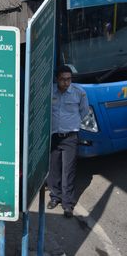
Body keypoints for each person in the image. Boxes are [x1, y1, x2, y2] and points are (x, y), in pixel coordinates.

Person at [47, 65, 89, 218]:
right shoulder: (50, 91)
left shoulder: (79, 93)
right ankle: (55, 197)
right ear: (57, 79)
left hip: (70, 137)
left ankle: (68, 205)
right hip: (53, 136)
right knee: (53, 171)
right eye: (63, 79)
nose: (66, 83)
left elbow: (84, 112)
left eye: (69, 79)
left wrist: (73, 125)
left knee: (68, 172)